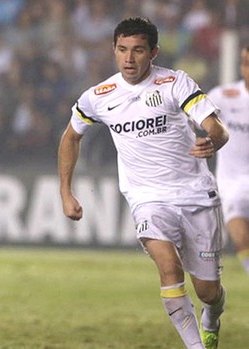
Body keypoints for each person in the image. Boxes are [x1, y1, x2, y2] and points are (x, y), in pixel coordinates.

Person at [58, 17, 228, 349]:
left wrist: (213, 141)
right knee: (168, 267)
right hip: (147, 198)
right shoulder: (99, 96)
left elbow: (216, 127)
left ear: (153, 52)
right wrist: (65, 191)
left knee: (208, 291)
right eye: (122, 50)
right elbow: (70, 138)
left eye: (137, 51)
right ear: (114, 50)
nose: (129, 59)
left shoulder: (175, 83)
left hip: (195, 194)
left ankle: (213, 315)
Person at [207, 45, 249, 275]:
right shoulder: (222, 96)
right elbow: (195, 123)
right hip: (231, 182)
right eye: (245, 63)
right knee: (241, 239)